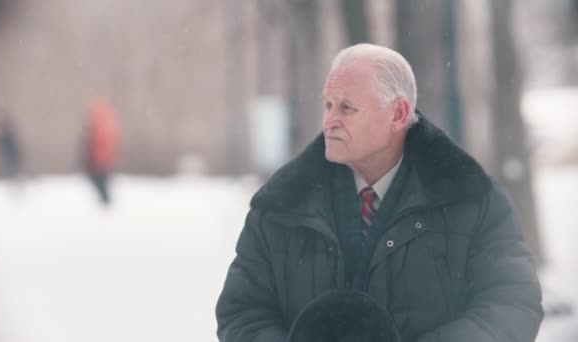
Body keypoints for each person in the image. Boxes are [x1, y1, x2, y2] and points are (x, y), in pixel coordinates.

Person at [216, 44, 543, 342]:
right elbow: (242, 314)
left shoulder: (475, 201)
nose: (329, 121)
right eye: (328, 105)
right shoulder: (279, 205)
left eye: (346, 108)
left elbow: (511, 308)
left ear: (398, 114)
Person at [83, 97, 119, 206]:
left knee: (100, 181)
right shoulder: (102, 126)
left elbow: (100, 146)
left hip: (100, 161)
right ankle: (105, 201)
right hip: (102, 160)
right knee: (101, 181)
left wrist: (97, 159)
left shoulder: (101, 127)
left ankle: (106, 202)